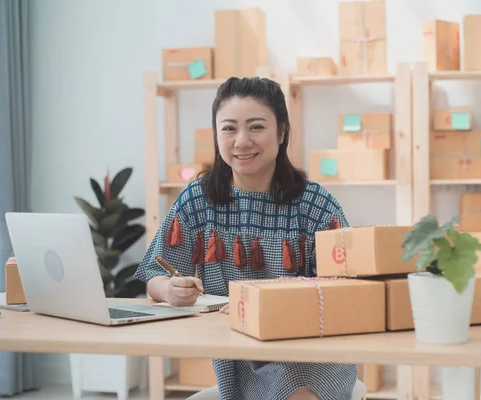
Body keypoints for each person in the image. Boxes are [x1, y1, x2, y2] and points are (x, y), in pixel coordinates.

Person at [135, 76, 356, 400]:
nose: (241, 141)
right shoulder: (198, 199)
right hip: (237, 356)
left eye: (256, 127)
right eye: (228, 128)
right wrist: (169, 289)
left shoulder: (316, 205)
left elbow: (348, 292)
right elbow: (152, 275)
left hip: (310, 352)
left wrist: (266, 302)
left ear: (281, 132)